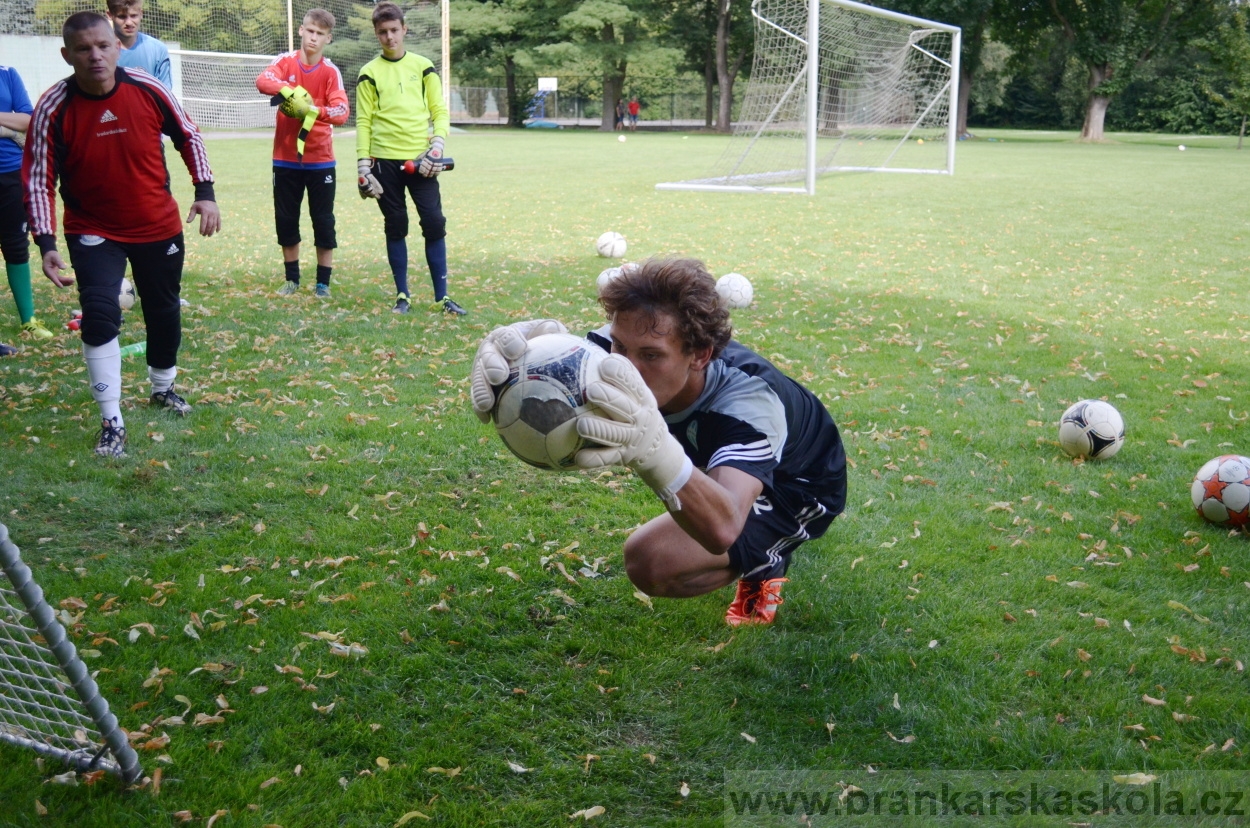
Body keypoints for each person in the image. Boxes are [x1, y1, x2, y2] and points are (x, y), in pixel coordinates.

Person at [471, 259, 847, 626]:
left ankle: (766, 560)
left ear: (700, 354)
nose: (625, 369)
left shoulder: (748, 406)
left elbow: (724, 526)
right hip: (717, 458)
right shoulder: (616, 349)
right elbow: (570, 359)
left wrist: (657, 452)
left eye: (651, 355)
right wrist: (523, 357)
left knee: (652, 562)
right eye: (620, 346)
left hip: (797, 486)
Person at [24, 11, 221, 458]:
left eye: (103, 46)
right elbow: (38, 179)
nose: (95, 55)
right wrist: (46, 242)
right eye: (83, 48)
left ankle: (163, 388)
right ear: (67, 54)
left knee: (162, 308)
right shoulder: (53, 107)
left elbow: (189, 135)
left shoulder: (148, 89)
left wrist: (205, 193)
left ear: (117, 47)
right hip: (93, 229)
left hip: (157, 224)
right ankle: (111, 420)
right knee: (98, 312)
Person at [355, 1, 465, 316]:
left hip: (422, 161)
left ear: (404, 29)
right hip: (383, 163)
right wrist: (363, 167)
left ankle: (443, 298)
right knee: (396, 225)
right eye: (382, 32)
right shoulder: (368, 73)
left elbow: (439, 111)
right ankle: (402, 296)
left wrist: (437, 147)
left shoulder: (423, 65)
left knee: (434, 223)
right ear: (377, 34)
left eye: (394, 30)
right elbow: (364, 121)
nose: (389, 37)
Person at [255, 8, 349, 298]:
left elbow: (342, 111)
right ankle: (292, 280)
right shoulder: (285, 62)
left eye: (320, 34)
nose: (313, 38)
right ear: (301, 30)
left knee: (323, 220)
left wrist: (312, 109)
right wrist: (291, 91)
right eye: (310, 31)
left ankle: (323, 284)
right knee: (286, 219)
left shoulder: (331, 72)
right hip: (285, 159)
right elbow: (263, 81)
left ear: (328, 38)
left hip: (320, 160)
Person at [1, 64, 54, 344]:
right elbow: (16, 122)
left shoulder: (7, 73)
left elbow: (28, 120)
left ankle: (29, 320)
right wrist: (8, 128)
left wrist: (7, 128)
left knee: (15, 245)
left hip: (10, 172)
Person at [106, 0, 171, 88]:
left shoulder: (158, 50)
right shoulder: (99, 51)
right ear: (110, 15)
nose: (129, 23)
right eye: (122, 17)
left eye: (133, 16)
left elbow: (164, 95)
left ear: (141, 14)